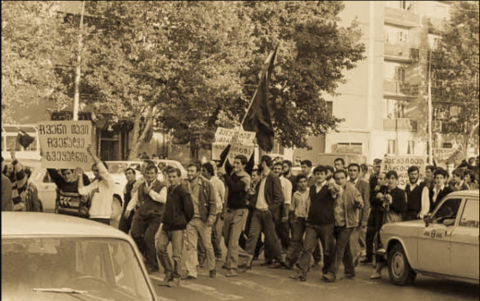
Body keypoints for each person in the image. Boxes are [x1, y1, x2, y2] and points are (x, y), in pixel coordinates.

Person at [291, 165, 340, 280]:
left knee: (327, 250)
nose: (319, 176)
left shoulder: (329, 187)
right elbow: (309, 204)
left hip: (327, 224)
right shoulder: (311, 188)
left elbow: (336, 192)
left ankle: (327, 272)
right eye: (317, 174)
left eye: (321, 174)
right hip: (312, 223)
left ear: (325, 175)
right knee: (307, 248)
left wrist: (333, 184)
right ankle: (301, 273)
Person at [243, 155, 286, 269]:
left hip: (266, 212)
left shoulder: (273, 177)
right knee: (252, 235)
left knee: (271, 237)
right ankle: (248, 260)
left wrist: (270, 209)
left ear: (263, 163)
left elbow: (279, 197)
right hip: (257, 211)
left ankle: (278, 259)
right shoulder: (261, 177)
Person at [323, 170, 364, 283]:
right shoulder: (332, 189)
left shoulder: (351, 189)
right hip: (334, 223)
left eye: (342, 178)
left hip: (347, 224)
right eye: (337, 178)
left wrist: (358, 203)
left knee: (339, 247)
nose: (340, 181)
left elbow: (360, 202)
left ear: (346, 178)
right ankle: (350, 271)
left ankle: (332, 273)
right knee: (344, 249)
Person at [126, 164, 166, 274]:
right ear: (144, 174)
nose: (149, 175)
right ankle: (144, 255)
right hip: (143, 214)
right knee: (135, 234)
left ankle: (152, 264)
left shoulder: (161, 186)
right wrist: (129, 208)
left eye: (152, 173)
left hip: (155, 216)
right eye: (147, 173)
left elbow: (163, 199)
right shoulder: (141, 186)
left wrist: (150, 192)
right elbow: (135, 198)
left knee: (149, 238)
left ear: (156, 174)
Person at [157, 168, 194, 287]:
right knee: (160, 248)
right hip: (166, 226)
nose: (171, 179)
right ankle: (168, 272)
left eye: (174, 177)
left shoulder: (183, 192)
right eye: (170, 177)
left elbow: (190, 211)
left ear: (179, 177)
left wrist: (182, 222)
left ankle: (176, 277)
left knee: (176, 255)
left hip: (178, 227)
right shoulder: (169, 190)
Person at [370, 171, 406, 279]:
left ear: (396, 180)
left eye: (393, 178)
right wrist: (378, 198)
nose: (390, 180)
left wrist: (392, 202)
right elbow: (372, 201)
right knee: (380, 244)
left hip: (393, 221)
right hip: (381, 220)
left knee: (391, 244)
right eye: (388, 178)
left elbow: (402, 208)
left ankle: (394, 269)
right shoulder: (382, 189)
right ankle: (378, 270)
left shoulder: (400, 192)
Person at [220, 155, 252, 277]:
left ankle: (232, 267)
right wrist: (230, 144)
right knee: (227, 238)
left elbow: (234, 188)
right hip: (230, 210)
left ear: (244, 165)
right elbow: (223, 157)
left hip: (240, 211)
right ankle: (246, 257)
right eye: (235, 163)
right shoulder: (233, 173)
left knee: (233, 241)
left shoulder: (246, 178)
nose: (235, 165)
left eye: (238, 163)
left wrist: (224, 175)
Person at [183, 163, 217, 279]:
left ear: (198, 173)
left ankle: (212, 267)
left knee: (207, 245)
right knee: (191, 246)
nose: (190, 173)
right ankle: (192, 271)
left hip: (203, 219)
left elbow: (213, 202)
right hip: (190, 220)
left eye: (192, 171)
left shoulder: (206, 185)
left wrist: (211, 216)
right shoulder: (184, 184)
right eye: (188, 171)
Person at [77, 145, 115, 225]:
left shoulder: (108, 181)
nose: (95, 173)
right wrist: (80, 175)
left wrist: (92, 154)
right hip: (92, 216)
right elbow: (82, 191)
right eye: (94, 171)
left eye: (97, 171)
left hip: (103, 217)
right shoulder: (95, 183)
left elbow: (101, 168)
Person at [284, 174, 310, 272]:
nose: (303, 184)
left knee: (308, 241)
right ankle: (289, 260)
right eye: (300, 182)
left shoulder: (311, 192)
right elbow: (292, 207)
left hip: (309, 219)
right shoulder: (295, 194)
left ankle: (306, 262)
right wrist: (292, 218)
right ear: (297, 183)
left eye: (304, 181)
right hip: (298, 218)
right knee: (295, 240)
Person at [347, 163, 370, 267]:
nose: (352, 172)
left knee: (354, 239)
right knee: (350, 241)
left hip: (358, 217)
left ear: (359, 172)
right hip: (347, 217)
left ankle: (353, 260)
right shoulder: (346, 183)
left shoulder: (364, 184)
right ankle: (355, 256)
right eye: (350, 170)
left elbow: (366, 202)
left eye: (354, 170)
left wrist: (364, 219)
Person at [362, 171, 387, 266]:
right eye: (378, 178)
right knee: (369, 236)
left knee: (378, 239)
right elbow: (371, 200)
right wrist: (376, 194)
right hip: (373, 215)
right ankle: (369, 256)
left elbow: (381, 202)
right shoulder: (375, 189)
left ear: (385, 180)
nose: (378, 180)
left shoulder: (386, 190)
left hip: (380, 216)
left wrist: (380, 197)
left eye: (381, 179)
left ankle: (378, 260)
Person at [202, 162, 225, 261]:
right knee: (207, 232)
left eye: (204, 171)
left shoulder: (218, 182)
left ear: (209, 171)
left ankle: (217, 252)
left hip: (217, 210)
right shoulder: (202, 182)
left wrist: (223, 211)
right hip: (206, 210)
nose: (202, 173)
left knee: (212, 231)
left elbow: (223, 197)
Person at [272, 162, 292, 254]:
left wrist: (285, 214)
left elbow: (287, 200)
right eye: (275, 168)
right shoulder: (270, 180)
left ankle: (286, 252)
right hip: (271, 209)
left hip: (281, 209)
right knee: (273, 233)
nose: (276, 170)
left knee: (283, 233)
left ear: (282, 170)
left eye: (279, 169)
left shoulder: (286, 182)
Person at [118, 168, 137, 234]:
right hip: (125, 212)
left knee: (135, 235)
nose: (128, 175)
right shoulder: (126, 186)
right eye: (126, 174)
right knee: (121, 232)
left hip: (134, 213)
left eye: (130, 173)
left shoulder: (137, 185)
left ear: (134, 175)